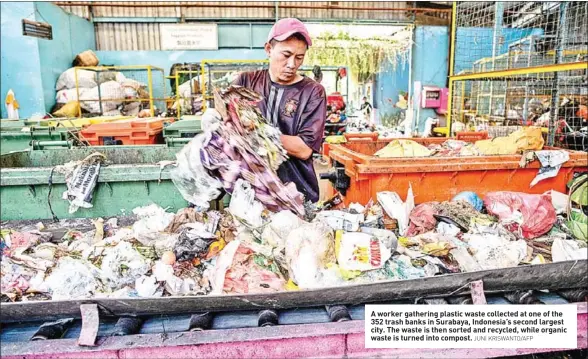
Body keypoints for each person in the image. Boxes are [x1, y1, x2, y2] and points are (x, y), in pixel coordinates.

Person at [203, 18, 327, 203]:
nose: (292, 64)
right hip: (250, 193)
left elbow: (303, 149)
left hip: (295, 192)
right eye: (286, 55)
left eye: (299, 57)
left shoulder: (312, 92)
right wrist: (214, 120)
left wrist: (259, 132)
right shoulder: (246, 82)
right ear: (269, 49)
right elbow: (225, 124)